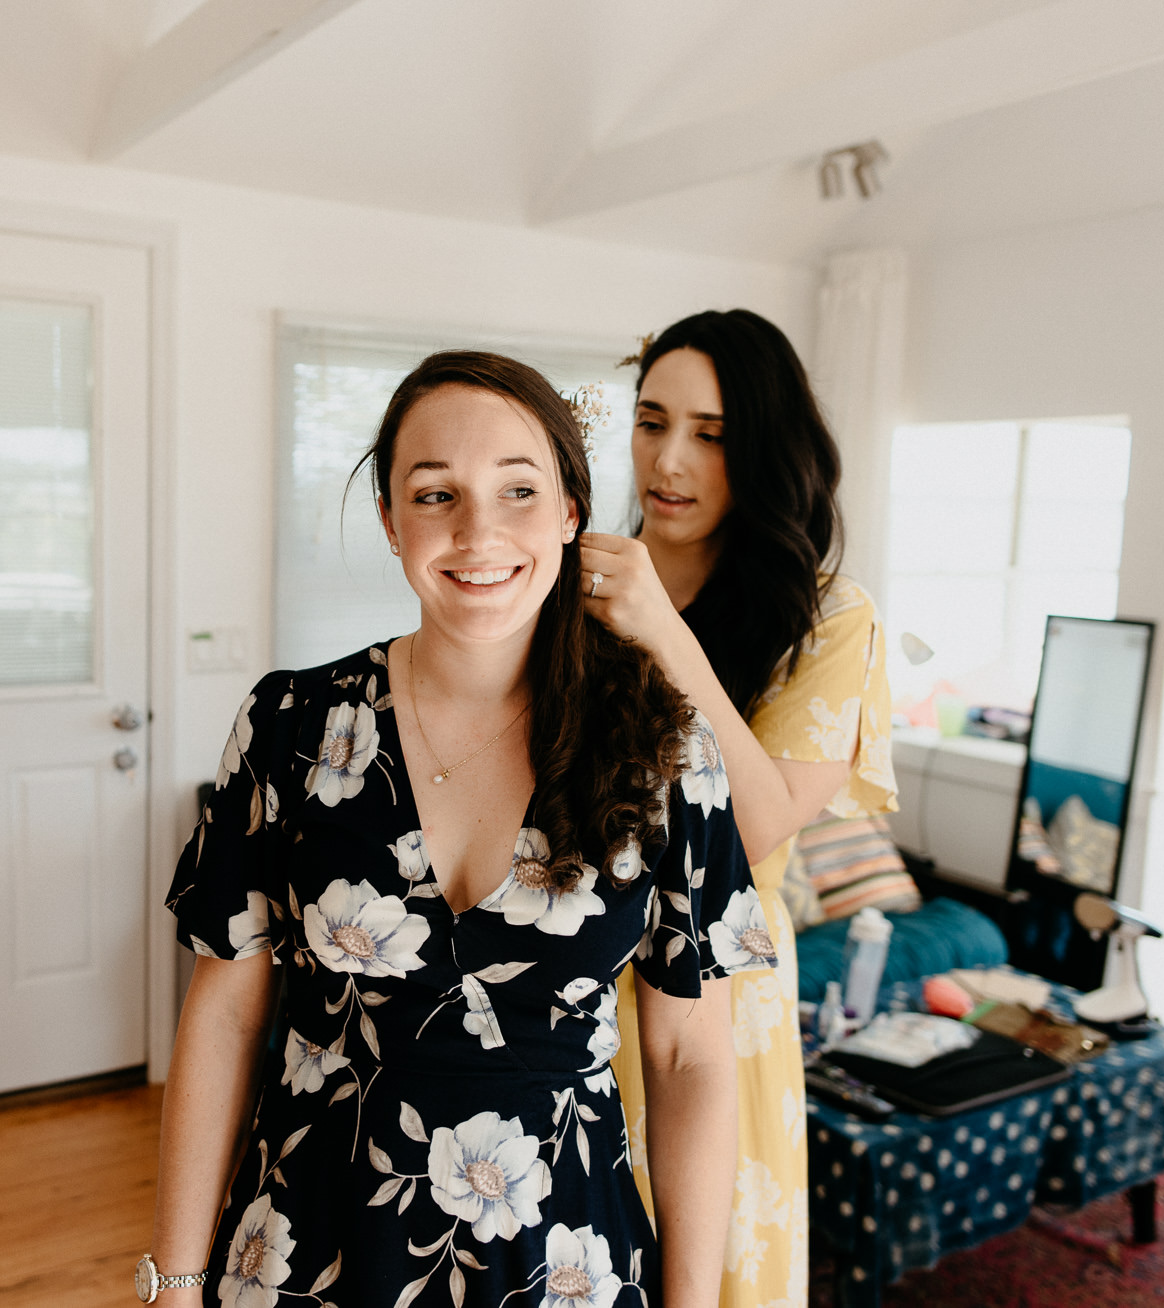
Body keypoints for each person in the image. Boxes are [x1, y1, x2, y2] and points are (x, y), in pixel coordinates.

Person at [145, 351, 775, 1307]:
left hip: (564, 1262)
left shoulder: (665, 748)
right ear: (393, 522)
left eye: (518, 490)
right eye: (436, 495)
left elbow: (688, 1056)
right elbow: (225, 1014)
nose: (479, 532)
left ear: (570, 511)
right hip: (307, 1250)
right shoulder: (289, 726)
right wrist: (173, 1279)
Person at [581, 310, 897, 1307]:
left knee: (705, 1272)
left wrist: (663, 634)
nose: (667, 460)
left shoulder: (829, 616)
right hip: (567, 979)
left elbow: (754, 828)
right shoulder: (571, 583)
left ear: (762, 445)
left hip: (717, 1005)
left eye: (709, 434)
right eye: (650, 421)